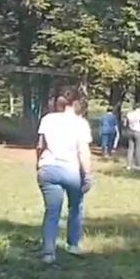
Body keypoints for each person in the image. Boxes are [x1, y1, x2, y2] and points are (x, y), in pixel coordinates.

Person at [36, 85, 94, 264]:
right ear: (76, 102)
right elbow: (83, 152)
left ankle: (48, 252)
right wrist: (88, 175)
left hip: (48, 167)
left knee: (52, 211)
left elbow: (40, 146)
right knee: (75, 207)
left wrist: (38, 165)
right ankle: (73, 245)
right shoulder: (80, 123)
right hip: (71, 170)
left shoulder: (47, 119)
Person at [125, 105, 140, 170]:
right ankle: (138, 164)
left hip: (130, 131)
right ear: (139, 108)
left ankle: (128, 165)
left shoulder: (129, 114)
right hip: (138, 132)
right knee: (138, 148)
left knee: (130, 149)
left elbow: (125, 123)